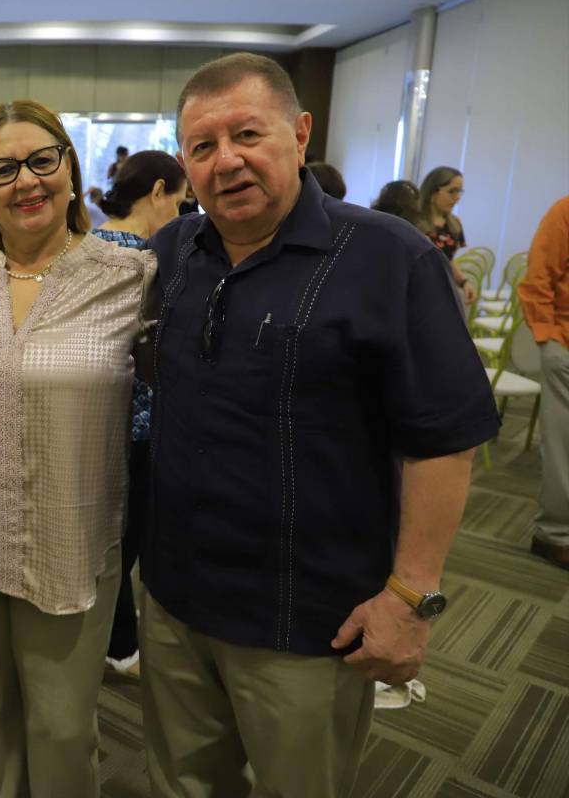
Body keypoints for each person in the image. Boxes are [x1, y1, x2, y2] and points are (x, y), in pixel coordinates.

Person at [137, 52, 500, 797]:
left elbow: (444, 440)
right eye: (203, 147)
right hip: (175, 599)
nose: (226, 160)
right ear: (184, 164)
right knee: (180, 785)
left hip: (306, 618)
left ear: (300, 134)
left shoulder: (388, 258)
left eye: (248, 134)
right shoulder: (172, 252)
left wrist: (410, 600)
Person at [0, 99, 154, 797]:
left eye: (41, 160)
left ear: (69, 167)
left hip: (69, 541)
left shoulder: (131, 278)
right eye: (2, 168)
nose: (25, 180)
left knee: (60, 728)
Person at [90, 149, 187, 676]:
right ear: (156, 193)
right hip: (138, 422)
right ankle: (117, 644)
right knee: (123, 545)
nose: (180, 211)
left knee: (106, 540)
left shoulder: (82, 245)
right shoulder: (145, 259)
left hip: (90, 418)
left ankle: (115, 640)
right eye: (179, 199)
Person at [517, 195, 569, 570]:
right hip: (565, 343)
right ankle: (555, 536)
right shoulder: (565, 211)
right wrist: (548, 339)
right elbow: (538, 277)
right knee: (563, 449)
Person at [418, 166, 477, 303]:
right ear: (433, 192)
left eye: (459, 192)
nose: (457, 198)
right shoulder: (414, 222)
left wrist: (464, 282)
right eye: (452, 191)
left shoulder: (454, 224)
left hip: (440, 293)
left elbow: (448, 261)